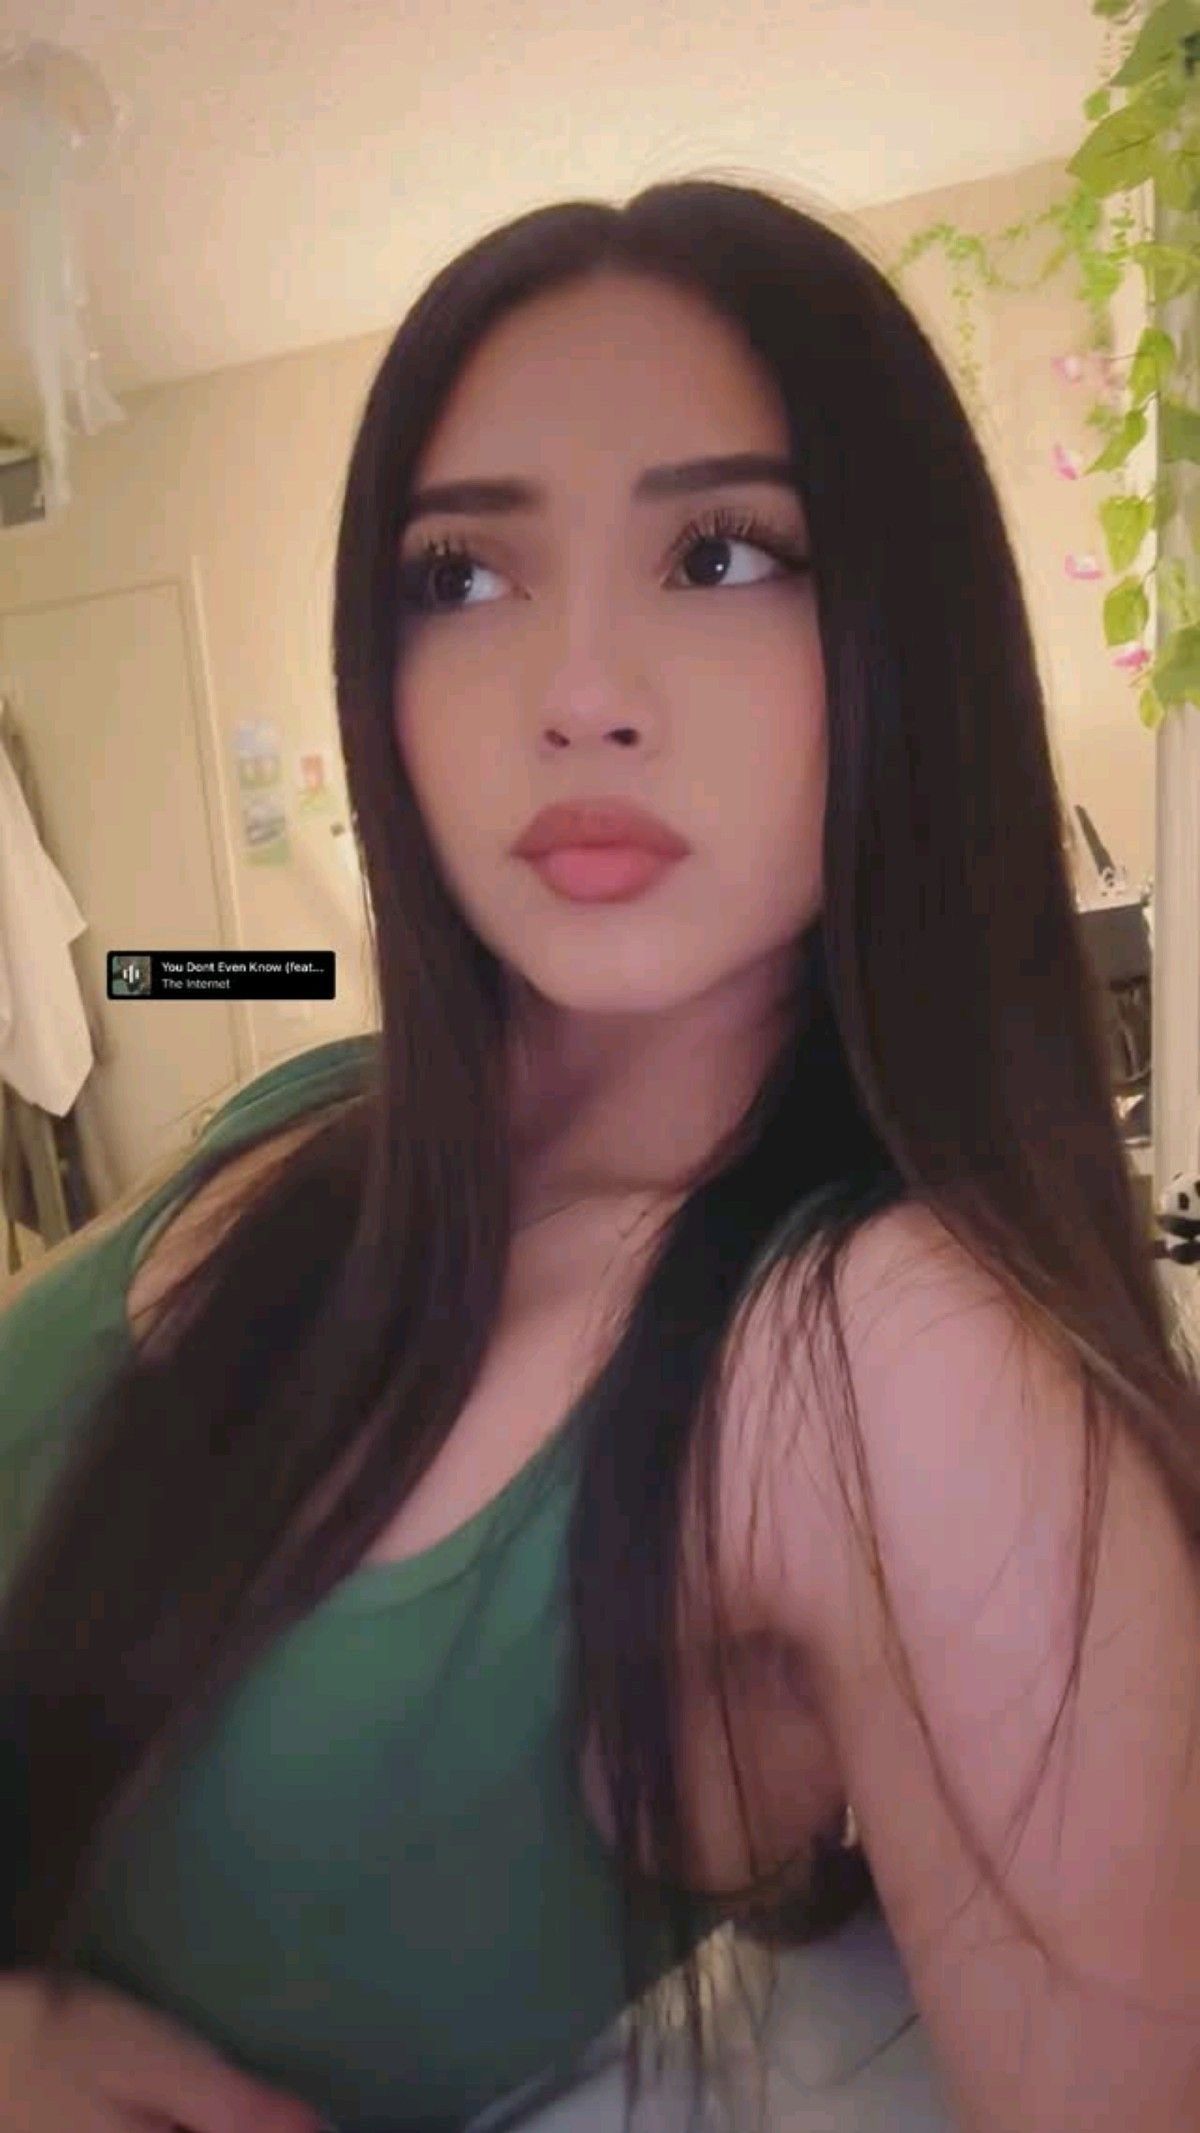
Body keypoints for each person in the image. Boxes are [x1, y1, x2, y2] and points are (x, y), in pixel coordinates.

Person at [0, 174, 1198, 2133]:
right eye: (462, 577)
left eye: (720, 552)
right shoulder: (305, 1107)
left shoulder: (887, 1356)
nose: (576, 696)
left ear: (906, 635)